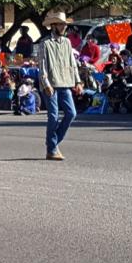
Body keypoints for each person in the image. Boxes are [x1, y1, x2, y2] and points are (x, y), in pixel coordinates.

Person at [35, 11, 83, 161]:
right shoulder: (45, 43)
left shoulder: (67, 42)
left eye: (64, 24)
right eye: (61, 24)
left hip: (66, 82)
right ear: (53, 25)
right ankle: (52, 148)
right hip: (51, 84)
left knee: (71, 113)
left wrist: (78, 81)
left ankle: (53, 142)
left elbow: (72, 63)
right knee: (53, 116)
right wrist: (46, 84)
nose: (63, 27)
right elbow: (42, 66)